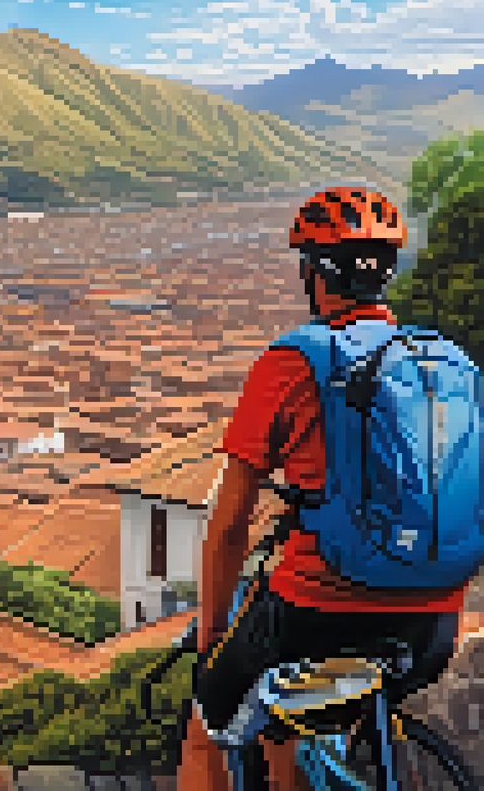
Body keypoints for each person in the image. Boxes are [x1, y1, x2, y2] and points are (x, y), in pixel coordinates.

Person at [179, 187, 468, 791]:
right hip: (435, 625)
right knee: (305, 713)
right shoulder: (445, 362)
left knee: (210, 712)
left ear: (312, 272)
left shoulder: (292, 363)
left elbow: (230, 521)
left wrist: (210, 641)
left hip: (318, 611)